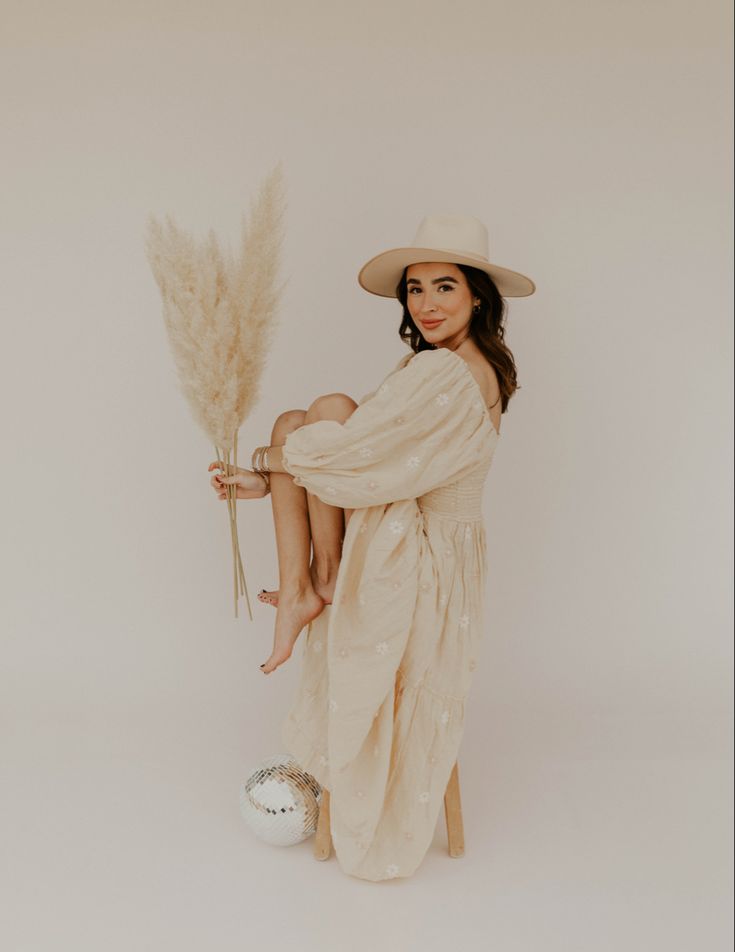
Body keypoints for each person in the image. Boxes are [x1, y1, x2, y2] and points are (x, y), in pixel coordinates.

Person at [208, 213, 535, 881]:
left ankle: (313, 583)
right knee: (304, 419)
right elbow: (363, 452)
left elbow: (358, 463)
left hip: (424, 556)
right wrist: (269, 468)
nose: (427, 304)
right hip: (420, 534)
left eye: (445, 287)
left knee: (321, 414)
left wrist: (263, 471)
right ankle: (304, 588)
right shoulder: (454, 365)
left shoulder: (449, 374)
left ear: (477, 295)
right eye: (415, 290)